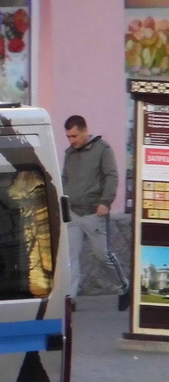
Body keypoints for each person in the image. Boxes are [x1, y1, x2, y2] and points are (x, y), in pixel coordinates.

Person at [62, 115, 130, 310]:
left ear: (85, 131)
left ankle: (123, 287)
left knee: (102, 254)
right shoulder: (69, 153)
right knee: (70, 257)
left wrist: (105, 202)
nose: (71, 140)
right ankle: (70, 298)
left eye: (74, 135)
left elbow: (111, 176)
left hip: (94, 212)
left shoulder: (103, 149)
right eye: (68, 136)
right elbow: (64, 178)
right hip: (72, 213)